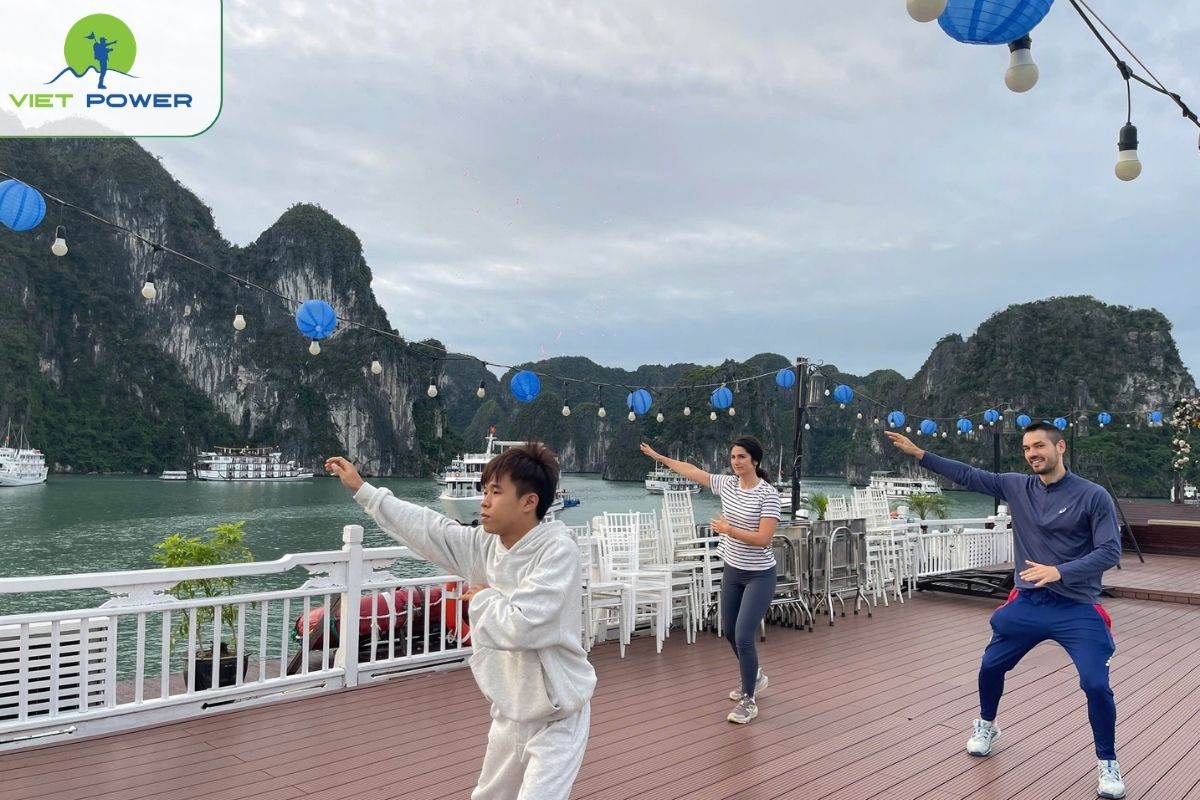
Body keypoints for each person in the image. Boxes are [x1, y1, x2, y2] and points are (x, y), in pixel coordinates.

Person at [325, 442, 595, 800]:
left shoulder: (557, 550)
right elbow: (429, 529)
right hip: (511, 708)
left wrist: (482, 598)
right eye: (484, 491)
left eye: (496, 492)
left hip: (558, 713)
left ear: (530, 502)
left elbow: (524, 625)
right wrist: (364, 491)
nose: (484, 501)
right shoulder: (485, 544)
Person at [886, 422, 1125, 799]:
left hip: (1076, 606)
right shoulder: (1017, 485)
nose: (1032, 454)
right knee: (990, 666)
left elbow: (1110, 551)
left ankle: (1107, 763)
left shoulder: (1093, 496)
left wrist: (1060, 571)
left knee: (1096, 684)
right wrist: (920, 455)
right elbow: (968, 474)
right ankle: (986, 724)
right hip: (1029, 601)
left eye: (1039, 446)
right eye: (1027, 448)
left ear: (1060, 447)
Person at [639, 435, 780, 724]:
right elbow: (692, 471)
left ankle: (748, 700)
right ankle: (755, 676)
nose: (736, 462)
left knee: (743, 634)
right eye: (732, 457)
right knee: (729, 630)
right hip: (733, 570)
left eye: (741, 457)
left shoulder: (768, 494)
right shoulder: (727, 485)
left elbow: (764, 539)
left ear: (755, 460)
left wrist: (729, 530)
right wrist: (660, 458)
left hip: (759, 575)